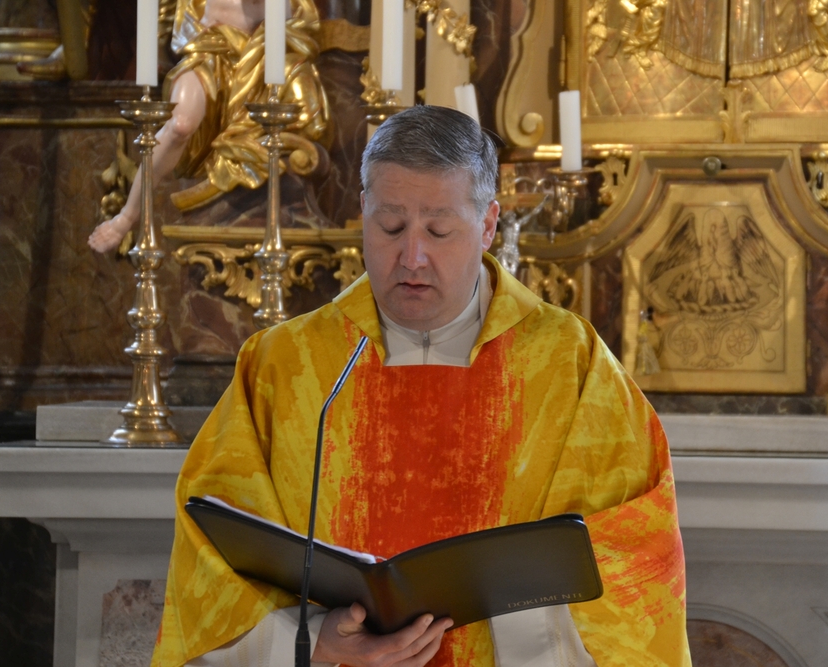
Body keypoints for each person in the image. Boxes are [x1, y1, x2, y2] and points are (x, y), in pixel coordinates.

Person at [152, 105, 691, 667]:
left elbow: (638, 554)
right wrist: (312, 638)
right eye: (390, 227)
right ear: (363, 210)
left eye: (439, 230)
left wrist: (513, 621)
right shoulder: (284, 365)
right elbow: (209, 555)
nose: (412, 257)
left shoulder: (571, 365)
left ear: (488, 224)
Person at [87, 0, 330, 254]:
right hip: (208, 53)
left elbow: (291, 15)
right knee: (180, 126)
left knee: (303, 120)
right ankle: (126, 217)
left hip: (263, 58)